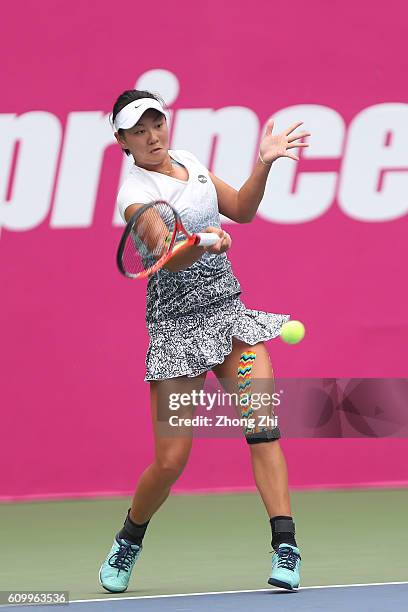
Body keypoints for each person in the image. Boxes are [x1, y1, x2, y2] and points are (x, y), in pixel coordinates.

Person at [99, 89, 310, 593]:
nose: (152, 136)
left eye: (157, 124)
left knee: (263, 425)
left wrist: (263, 165)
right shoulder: (133, 192)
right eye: (139, 130)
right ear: (123, 140)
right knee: (172, 461)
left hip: (228, 312)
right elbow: (164, 253)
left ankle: (286, 544)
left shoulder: (190, 162)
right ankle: (130, 535)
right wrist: (205, 241)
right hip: (175, 328)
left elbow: (241, 207)